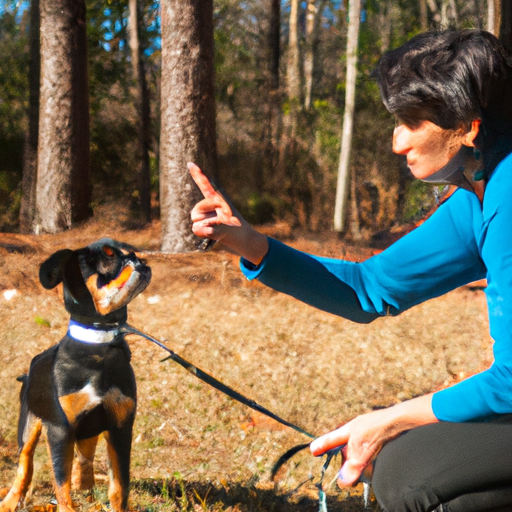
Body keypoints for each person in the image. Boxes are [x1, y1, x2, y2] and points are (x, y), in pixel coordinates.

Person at [189, 29, 512, 512]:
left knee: (411, 476)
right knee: (405, 464)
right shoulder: (479, 189)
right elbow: (371, 288)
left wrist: (390, 418)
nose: (395, 141)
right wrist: (249, 243)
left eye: (410, 122)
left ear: (468, 126)